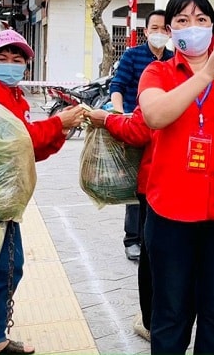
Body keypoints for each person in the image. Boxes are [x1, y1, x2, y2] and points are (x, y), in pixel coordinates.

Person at [0, 29, 86, 355]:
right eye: (2, 58)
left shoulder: (13, 95)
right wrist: (58, 123)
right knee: (3, 270)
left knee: (4, 269)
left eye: (18, 60)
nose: (10, 64)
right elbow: (18, 139)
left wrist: (60, 128)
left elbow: (31, 149)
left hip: (2, 195)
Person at [138, 0, 214, 354]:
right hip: (170, 213)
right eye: (183, 20)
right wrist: (206, 75)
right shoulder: (158, 72)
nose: (193, 27)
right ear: (170, 30)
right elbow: (155, 115)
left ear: (213, 27)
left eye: (201, 20)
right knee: (170, 312)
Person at [110, 9, 173, 261]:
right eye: (154, 28)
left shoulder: (172, 59)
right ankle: (132, 239)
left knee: (152, 182)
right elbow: (118, 86)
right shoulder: (132, 56)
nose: (159, 33)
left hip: (159, 130)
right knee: (135, 184)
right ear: (145, 31)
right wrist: (119, 113)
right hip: (133, 125)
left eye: (164, 29)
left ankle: (150, 236)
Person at [86, 106, 153, 341]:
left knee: (154, 260)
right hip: (207, 191)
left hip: (160, 186)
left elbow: (138, 131)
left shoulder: (161, 77)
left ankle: (152, 323)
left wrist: (107, 119)